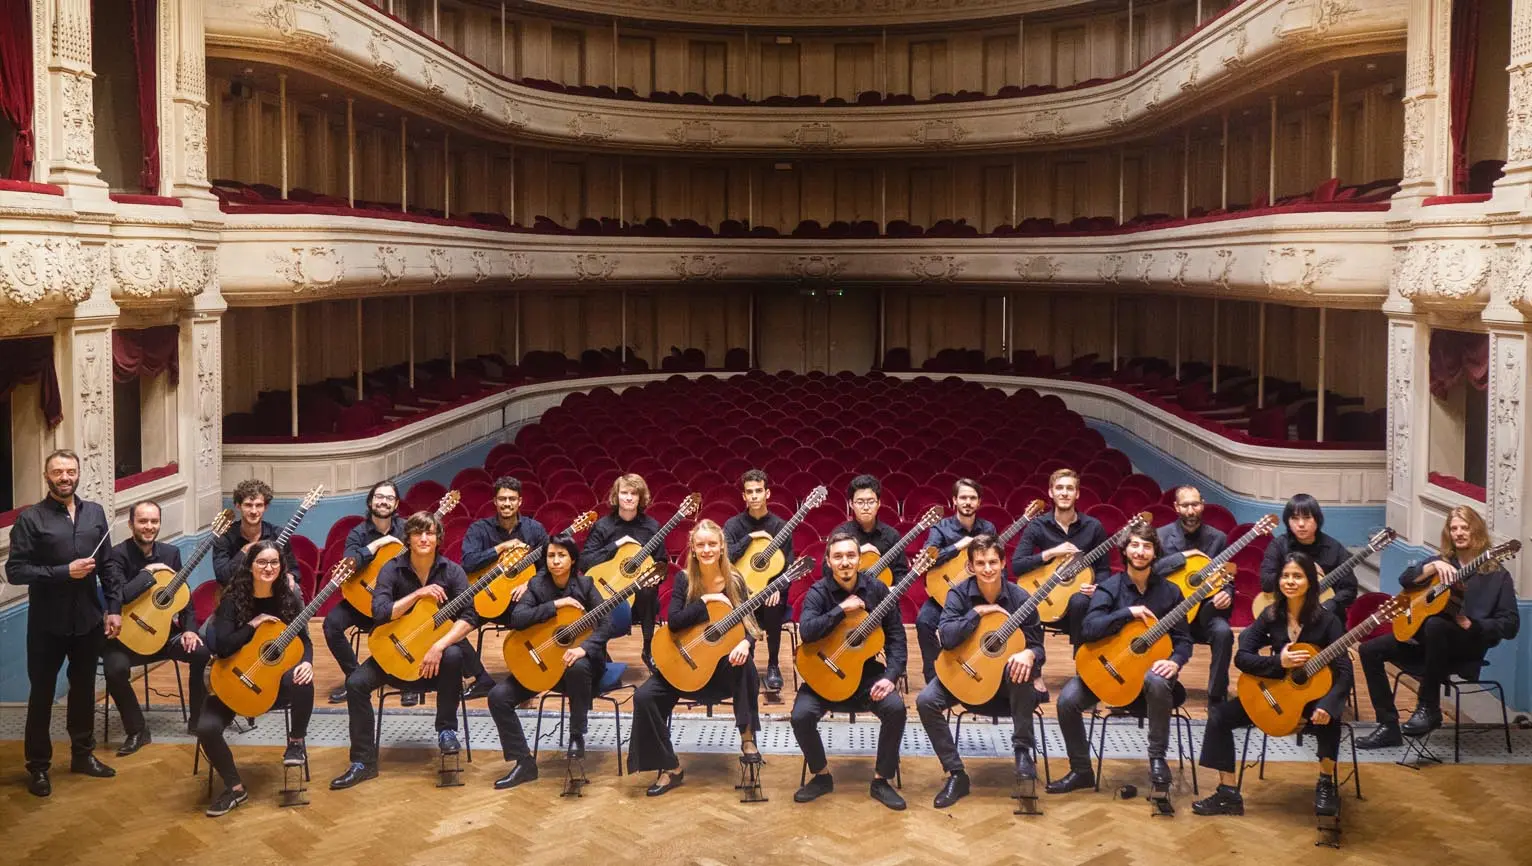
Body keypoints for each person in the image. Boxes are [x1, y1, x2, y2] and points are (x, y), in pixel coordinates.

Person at [1193, 552, 1348, 818]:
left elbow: (1345, 671)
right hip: (1274, 692)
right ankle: (1227, 793)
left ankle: (1326, 782)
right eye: (1285, 576)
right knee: (1219, 715)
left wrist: (1328, 705)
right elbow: (1243, 657)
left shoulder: (1328, 621)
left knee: (1329, 718)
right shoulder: (1271, 615)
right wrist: (1280, 662)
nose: (1290, 581)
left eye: (1297, 576)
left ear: (1310, 582)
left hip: (1311, 700)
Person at [330, 511, 475, 790]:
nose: (424, 538)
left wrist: (438, 646)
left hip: (432, 666)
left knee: (455, 654)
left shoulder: (453, 571)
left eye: (430, 533)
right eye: (418, 532)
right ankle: (362, 762)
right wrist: (418, 594)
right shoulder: (391, 569)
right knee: (356, 683)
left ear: (438, 538)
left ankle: (446, 730)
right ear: (407, 537)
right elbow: (380, 613)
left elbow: (470, 616)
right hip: (395, 657)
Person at [1357, 506, 1521, 746]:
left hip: (1465, 647)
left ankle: (1428, 706)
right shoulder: (1442, 562)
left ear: (1477, 531)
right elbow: (1406, 579)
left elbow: (1511, 624)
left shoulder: (1497, 576)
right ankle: (1388, 725)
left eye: (1465, 527)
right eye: (1454, 528)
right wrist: (1432, 567)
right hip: (1426, 643)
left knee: (1435, 624)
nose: (1459, 533)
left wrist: (1472, 624)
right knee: (1369, 650)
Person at [6, 450, 115, 797]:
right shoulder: (31, 519)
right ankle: (38, 767)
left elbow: (109, 564)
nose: (65, 477)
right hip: (47, 625)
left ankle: (82, 755)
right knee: (42, 696)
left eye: (70, 471)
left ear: (79, 473)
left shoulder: (95, 513)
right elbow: (15, 570)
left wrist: (114, 608)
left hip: (88, 621)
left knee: (84, 692)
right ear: (46, 476)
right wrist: (62, 572)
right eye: (58, 472)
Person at [1049, 525, 1190, 795]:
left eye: (1147, 546)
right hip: (1110, 672)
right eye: (1135, 545)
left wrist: (1176, 661)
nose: (1140, 551)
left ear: (1155, 551)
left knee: (1158, 680)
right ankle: (1081, 771)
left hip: (1148, 682)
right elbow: (1089, 629)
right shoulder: (1109, 588)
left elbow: (1183, 640)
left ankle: (1157, 759)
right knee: (1067, 701)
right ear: (1124, 550)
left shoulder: (1171, 593)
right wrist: (1126, 613)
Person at [627, 520, 761, 795]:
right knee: (644, 698)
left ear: (722, 546)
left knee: (744, 663)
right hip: (685, 666)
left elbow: (750, 626)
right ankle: (670, 767)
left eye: (712, 544)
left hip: (720, 672)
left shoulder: (735, 580)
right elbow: (674, 622)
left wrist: (746, 644)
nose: (707, 549)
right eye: (701, 545)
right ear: (693, 548)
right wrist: (707, 602)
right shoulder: (684, 580)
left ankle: (748, 739)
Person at [915, 535, 1044, 809]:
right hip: (966, 673)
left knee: (1021, 668)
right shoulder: (958, 594)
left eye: (993, 562)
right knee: (926, 701)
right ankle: (956, 773)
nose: (988, 569)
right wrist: (978, 613)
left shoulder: (1021, 599)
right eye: (981, 563)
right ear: (971, 566)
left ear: (1003, 562)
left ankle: (1022, 753)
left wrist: (1029, 653)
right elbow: (947, 637)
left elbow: (1038, 648)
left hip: (1005, 685)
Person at [486, 532, 613, 789]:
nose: (555, 561)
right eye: (551, 556)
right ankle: (524, 763)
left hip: (579, 669)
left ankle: (577, 737)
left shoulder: (586, 585)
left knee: (577, 666)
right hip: (541, 663)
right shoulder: (536, 585)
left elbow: (606, 623)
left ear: (573, 559)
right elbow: (517, 620)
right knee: (498, 697)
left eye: (561, 555)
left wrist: (584, 648)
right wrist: (556, 604)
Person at [791, 531, 907, 810]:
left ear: (859, 559)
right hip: (823, 674)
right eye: (838, 556)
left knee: (896, 709)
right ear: (829, 561)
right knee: (800, 716)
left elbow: (896, 637)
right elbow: (806, 631)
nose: (845, 562)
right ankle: (820, 776)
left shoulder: (878, 590)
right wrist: (840, 610)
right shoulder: (819, 592)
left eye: (851, 556)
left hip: (866, 677)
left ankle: (881, 779)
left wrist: (891, 677)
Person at [196, 541, 314, 817]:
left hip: (270, 685)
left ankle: (296, 743)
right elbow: (222, 646)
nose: (268, 568)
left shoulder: (289, 599)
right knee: (206, 729)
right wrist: (253, 624)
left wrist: (306, 661)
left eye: (274, 563)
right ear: (250, 566)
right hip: (232, 680)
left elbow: (304, 640)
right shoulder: (232, 600)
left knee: (302, 679)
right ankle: (234, 788)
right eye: (262, 562)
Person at [99, 500, 211, 755]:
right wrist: (149, 572)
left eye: (154, 521)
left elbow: (184, 597)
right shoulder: (116, 555)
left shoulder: (170, 552)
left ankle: (198, 722)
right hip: (125, 638)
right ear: (131, 525)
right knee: (114, 670)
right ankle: (137, 730)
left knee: (202, 653)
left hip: (160, 636)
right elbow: (121, 595)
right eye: (143, 521)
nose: (149, 527)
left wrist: (190, 629)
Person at [457, 475, 548, 698]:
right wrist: (501, 548)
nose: (507, 503)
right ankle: (481, 678)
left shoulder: (534, 530)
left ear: (520, 502)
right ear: (495, 502)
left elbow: (550, 566)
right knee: (448, 624)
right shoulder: (480, 529)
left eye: (511, 499)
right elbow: (468, 563)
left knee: (539, 619)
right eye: (502, 499)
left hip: (519, 600)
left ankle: (526, 680)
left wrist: (529, 583)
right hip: (484, 598)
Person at [322, 481, 405, 704]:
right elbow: (348, 565)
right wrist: (378, 545)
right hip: (362, 601)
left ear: (396, 504)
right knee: (331, 625)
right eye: (379, 497)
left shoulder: (407, 530)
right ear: (370, 502)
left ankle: (406, 681)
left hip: (392, 604)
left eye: (389, 498)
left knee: (414, 619)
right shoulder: (357, 533)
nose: (384, 502)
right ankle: (355, 677)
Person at [1011, 468, 1109, 646]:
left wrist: (1098, 587)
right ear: (1051, 492)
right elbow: (1017, 565)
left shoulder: (1094, 527)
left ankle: (1081, 665)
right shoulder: (1037, 526)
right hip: (1046, 596)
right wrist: (1050, 553)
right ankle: (1031, 665)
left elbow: (1103, 569)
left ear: (1077, 494)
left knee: (1080, 601)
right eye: (1059, 488)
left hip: (1077, 599)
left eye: (1070, 488)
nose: (1064, 493)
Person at [1154, 486, 1233, 706]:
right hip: (1171, 613)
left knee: (1223, 632)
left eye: (1195, 504)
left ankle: (1216, 697)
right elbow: (1153, 571)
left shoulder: (1218, 539)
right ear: (1176, 507)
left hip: (1205, 614)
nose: (1191, 511)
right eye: (1185, 505)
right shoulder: (1160, 536)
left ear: (1202, 504)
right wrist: (1184, 556)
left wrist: (1226, 593)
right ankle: (1162, 688)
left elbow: (1227, 578)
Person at [914, 479, 996, 685]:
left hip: (976, 596)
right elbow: (928, 558)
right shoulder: (941, 528)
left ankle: (980, 677)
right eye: (963, 498)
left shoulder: (988, 528)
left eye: (972, 498)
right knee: (924, 622)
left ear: (979, 502)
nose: (968, 502)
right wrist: (958, 546)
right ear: (954, 501)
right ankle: (934, 679)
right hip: (944, 594)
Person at [723, 469, 792, 692]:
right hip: (739, 592)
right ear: (743, 496)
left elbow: (789, 566)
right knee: (739, 603)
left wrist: (777, 588)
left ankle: (773, 665)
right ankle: (746, 664)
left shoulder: (781, 527)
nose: (754, 496)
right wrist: (751, 538)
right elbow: (727, 558)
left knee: (774, 603)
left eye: (758, 491)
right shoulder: (733, 526)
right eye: (749, 492)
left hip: (769, 593)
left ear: (767, 493)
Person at [582, 474, 661, 667]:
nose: (628, 497)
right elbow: (585, 562)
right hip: (605, 593)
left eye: (633, 493)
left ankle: (648, 649)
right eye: (624, 492)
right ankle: (598, 649)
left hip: (637, 597)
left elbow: (661, 562)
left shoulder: (652, 527)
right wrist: (617, 544)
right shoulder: (602, 526)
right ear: (616, 496)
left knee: (648, 589)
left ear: (640, 497)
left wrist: (656, 577)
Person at [1258, 494, 1351, 622]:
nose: (1301, 524)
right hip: (1284, 616)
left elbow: (1349, 589)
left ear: (1317, 520)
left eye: (1307, 518)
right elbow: (1266, 582)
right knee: (1246, 637)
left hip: (1325, 618)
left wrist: (1328, 605)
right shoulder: (1278, 545)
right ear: (1288, 521)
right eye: (1295, 518)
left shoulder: (1334, 548)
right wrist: (1297, 573)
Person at [826, 475, 908, 588]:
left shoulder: (892, 535)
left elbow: (901, 573)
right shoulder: (840, 534)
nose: (866, 507)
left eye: (870, 502)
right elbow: (827, 571)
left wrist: (893, 590)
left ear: (878, 503)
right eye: (860, 502)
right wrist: (857, 551)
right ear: (851, 504)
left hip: (884, 600)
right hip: (848, 599)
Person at [212, 479, 296, 588]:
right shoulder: (224, 537)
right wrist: (244, 552)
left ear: (265, 507)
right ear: (238, 506)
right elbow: (222, 577)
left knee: (295, 590)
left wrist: (291, 576)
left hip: (271, 591)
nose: (253, 511)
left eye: (259, 505)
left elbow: (293, 569)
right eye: (248, 505)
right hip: (238, 591)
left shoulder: (277, 534)